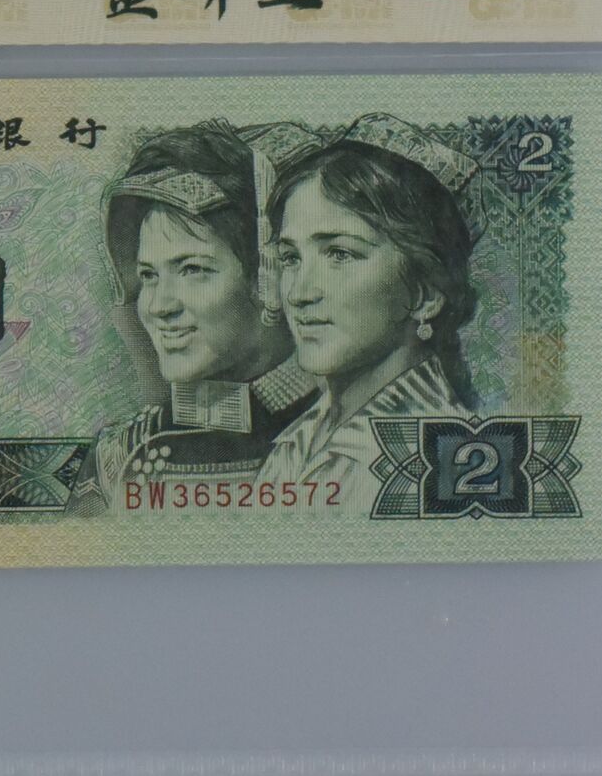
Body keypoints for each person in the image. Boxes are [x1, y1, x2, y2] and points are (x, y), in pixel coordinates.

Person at [67, 120, 321, 515]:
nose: (158, 306)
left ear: (268, 276)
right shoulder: (119, 456)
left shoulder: (349, 436)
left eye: (192, 269)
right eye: (148, 276)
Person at [253, 112, 480, 512]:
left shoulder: (443, 461)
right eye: (291, 258)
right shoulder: (296, 442)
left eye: (339, 254)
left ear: (425, 293)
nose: (299, 293)